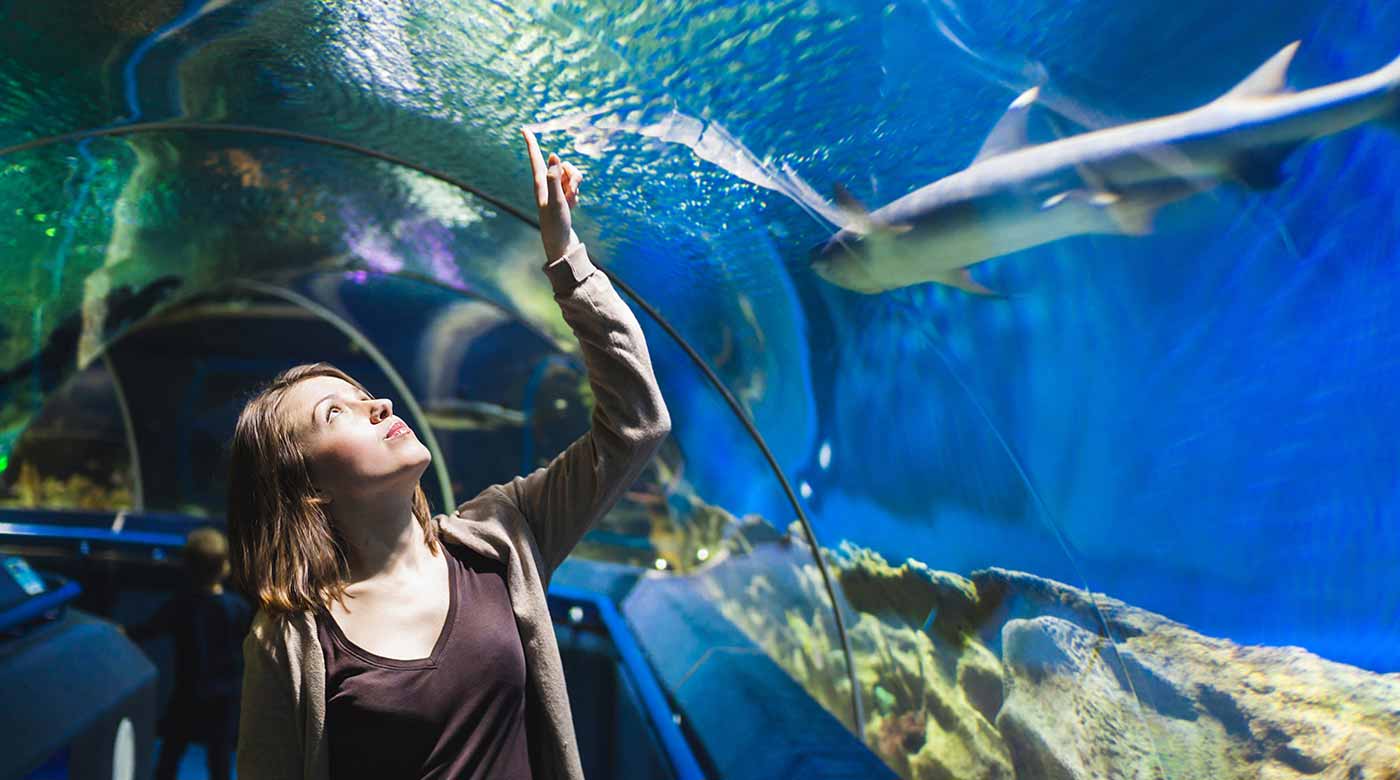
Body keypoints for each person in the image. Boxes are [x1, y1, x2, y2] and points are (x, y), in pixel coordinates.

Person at [230, 129, 671, 780]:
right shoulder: (292, 640)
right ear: (307, 485)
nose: (376, 404)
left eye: (362, 394)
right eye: (336, 414)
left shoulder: (501, 538)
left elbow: (638, 422)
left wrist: (567, 258)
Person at [125, 526, 254, 780]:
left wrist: (119, 631)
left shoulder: (181, 604)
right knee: (220, 760)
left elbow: (148, 629)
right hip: (226, 697)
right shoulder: (238, 608)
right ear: (225, 567)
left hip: (188, 693)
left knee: (171, 753)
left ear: (188, 567)